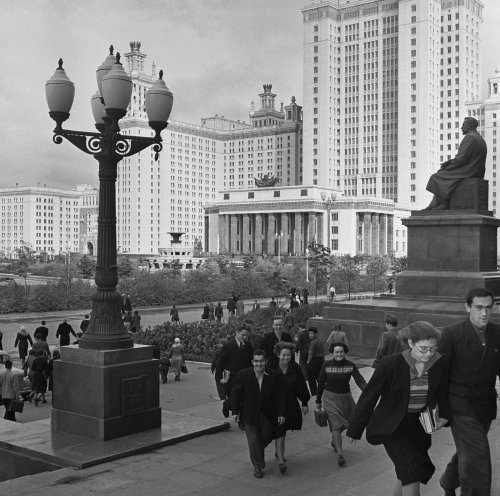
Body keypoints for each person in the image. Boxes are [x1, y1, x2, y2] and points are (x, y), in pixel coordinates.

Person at [347, 321, 450, 496]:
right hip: (393, 426)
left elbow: (442, 393)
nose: (429, 353)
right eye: (423, 349)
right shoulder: (390, 364)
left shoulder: (439, 363)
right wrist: (355, 428)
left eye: (432, 348)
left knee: (406, 474)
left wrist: (444, 416)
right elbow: (369, 397)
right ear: (410, 343)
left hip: (418, 427)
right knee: (412, 472)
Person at [439, 288, 500, 496]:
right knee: (477, 457)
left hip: (485, 405)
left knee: (470, 452)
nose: (484, 313)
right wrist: (437, 408)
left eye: (489, 308)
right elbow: (439, 375)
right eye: (479, 307)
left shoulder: (498, 333)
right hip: (460, 405)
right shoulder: (451, 334)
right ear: (468, 307)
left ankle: (448, 481)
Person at [231, 349, 286, 479]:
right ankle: (258, 466)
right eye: (256, 361)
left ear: (266, 361)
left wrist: (281, 413)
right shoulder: (244, 374)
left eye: (261, 361)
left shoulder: (274, 375)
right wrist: (235, 412)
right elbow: (235, 393)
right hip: (249, 414)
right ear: (252, 362)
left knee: (266, 437)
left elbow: (281, 396)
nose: (258, 364)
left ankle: (257, 453)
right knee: (254, 441)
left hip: (268, 414)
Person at [316, 342, 367, 466]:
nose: (339, 354)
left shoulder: (350, 365)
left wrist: (368, 394)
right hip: (330, 397)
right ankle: (340, 454)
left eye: (341, 352)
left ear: (345, 352)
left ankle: (335, 440)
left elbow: (360, 381)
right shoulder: (326, 365)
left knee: (351, 421)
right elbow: (321, 383)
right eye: (336, 352)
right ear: (332, 353)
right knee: (336, 424)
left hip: (346, 397)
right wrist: (318, 401)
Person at [425, 117, 487, 210]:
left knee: (436, 176)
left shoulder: (470, 137)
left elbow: (461, 159)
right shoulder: (479, 138)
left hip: (469, 171)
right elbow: (466, 157)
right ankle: (436, 203)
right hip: (476, 170)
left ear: (469, 125)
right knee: (442, 172)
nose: (461, 127)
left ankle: (443, 203)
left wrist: (449, 166)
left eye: (463, 125)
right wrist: (449, 163)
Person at [273, 342, 310, 473]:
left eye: (289, 355)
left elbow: (301, 385)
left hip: (290, 403)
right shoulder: (271, 367)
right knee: (280, 431)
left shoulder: (295, 367)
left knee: (283, 430)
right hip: (275, 405)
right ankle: (281, 460)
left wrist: (304, 402)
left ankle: (279, 452)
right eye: (283, 355)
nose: (286, 358)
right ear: (278, 354)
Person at [215, 325, 253, 418]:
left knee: (244, 399)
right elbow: (220, 363)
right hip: (231, 379)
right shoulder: (228, 346)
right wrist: (219, 379)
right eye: (243, 335)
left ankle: (242, 421)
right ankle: (227, 405)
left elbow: (250, 362)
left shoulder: (248, 345)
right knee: (234, 399)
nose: (245, 337)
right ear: (237, 332)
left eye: (246, 335)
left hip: (244, 378)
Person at [306, 327, 325, 396]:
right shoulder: (320, 341)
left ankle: (314, 393)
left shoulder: (313, 342)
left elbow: (310, 353)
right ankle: (321, 391)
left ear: (316, 334)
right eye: (309, 334)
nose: (310, 335)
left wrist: (308, 362)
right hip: (321, 360)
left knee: (311, 378)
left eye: (312, 334)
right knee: (319, 377)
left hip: (314, 361)